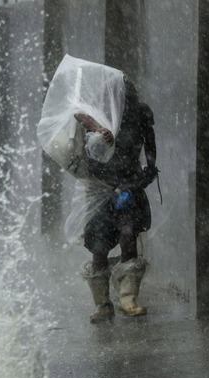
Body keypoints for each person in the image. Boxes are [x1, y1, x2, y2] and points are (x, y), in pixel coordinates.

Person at [75, 77, 159, 324]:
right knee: (99, 247)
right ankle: (102, 304)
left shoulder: (141, 114)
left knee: (127, 234)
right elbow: (88, 155)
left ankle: (128, 298)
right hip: (101, 190)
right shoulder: (96, 118)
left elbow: (151, 151)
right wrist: (99, 133)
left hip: (129, 187)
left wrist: (145, 175)